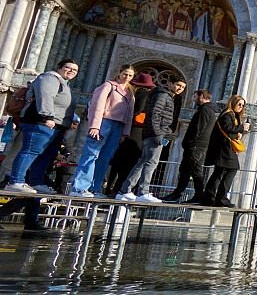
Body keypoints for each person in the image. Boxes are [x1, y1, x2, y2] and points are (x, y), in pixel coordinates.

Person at [5, 59, 79, 194]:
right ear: (59, 67)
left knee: (46, 155)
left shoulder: (64, 83)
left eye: (75, 70)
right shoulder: (50, 78)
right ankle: (15, 181)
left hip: (57, 126)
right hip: (41, 122)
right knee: (31, 151)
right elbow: (45, 96)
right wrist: (47, 116)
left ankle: (36, 182)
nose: (71, 71)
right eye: (68, 67)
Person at [116, 78, 186, 202]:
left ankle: (125, 190)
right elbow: (154, 114)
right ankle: (143, 192)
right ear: (170, 83)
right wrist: (158, 133)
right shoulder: (163, 95)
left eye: (183, 87)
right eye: (178, 85)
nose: (180, 88)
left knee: (144, 161)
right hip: (155, 133)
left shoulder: (169, 97)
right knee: (151, 162)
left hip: (156, 132)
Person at [70, 64, 135, 197]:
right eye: (125, 74)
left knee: (105, 158)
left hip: (118, 126)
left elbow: (130, 114)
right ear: (120, 72)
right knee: (91, 154)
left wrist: (125, 132)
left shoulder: (130, 92)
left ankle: (95, 188)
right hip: (104, 122)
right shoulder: (108, 86)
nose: (127, 77)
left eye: (130, 75)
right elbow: (97, 106)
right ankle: (79, 188)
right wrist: (95, 125)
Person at [162, 89, 216, 204]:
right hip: (198, 145)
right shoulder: (208, 110)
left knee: (189, 170)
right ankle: (193, 195)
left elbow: (198, 128)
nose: (193, 99)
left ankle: (184, 195)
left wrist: (190, 143)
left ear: (201, 96)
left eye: (195, 97)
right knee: (191, 171)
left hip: (196, 146)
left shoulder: (205, 110)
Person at [200, 95, 250, 207]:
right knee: (231, 169)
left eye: (243, 105)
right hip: (224, 149)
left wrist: (238, 133)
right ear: (233, 103)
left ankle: (210, 198)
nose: (241, 107)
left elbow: (229, 131)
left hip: (225, 148)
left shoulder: (232, 115)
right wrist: (242, 128)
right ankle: (220, 198)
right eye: (239, 104)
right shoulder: (228, 114)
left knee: (219, 173)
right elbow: (227, 127)